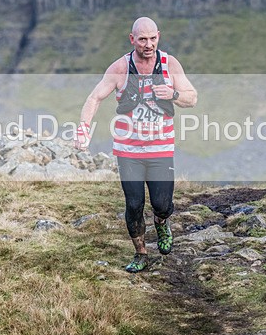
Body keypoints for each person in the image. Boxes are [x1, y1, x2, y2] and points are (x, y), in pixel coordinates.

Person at [75, 17, 197, 272]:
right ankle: (140, 253)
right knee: (133, 204)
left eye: (153, 38)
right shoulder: (120, 68)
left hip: (160, 150)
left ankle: (162, 223)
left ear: (158, 37)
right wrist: (84, 128)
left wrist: (173, 95)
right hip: (128, 151)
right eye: (143, 39)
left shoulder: (169, 64)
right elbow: (94, 97)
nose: (148, 44)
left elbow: (192, 98)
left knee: (162, 204)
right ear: (132, 40)